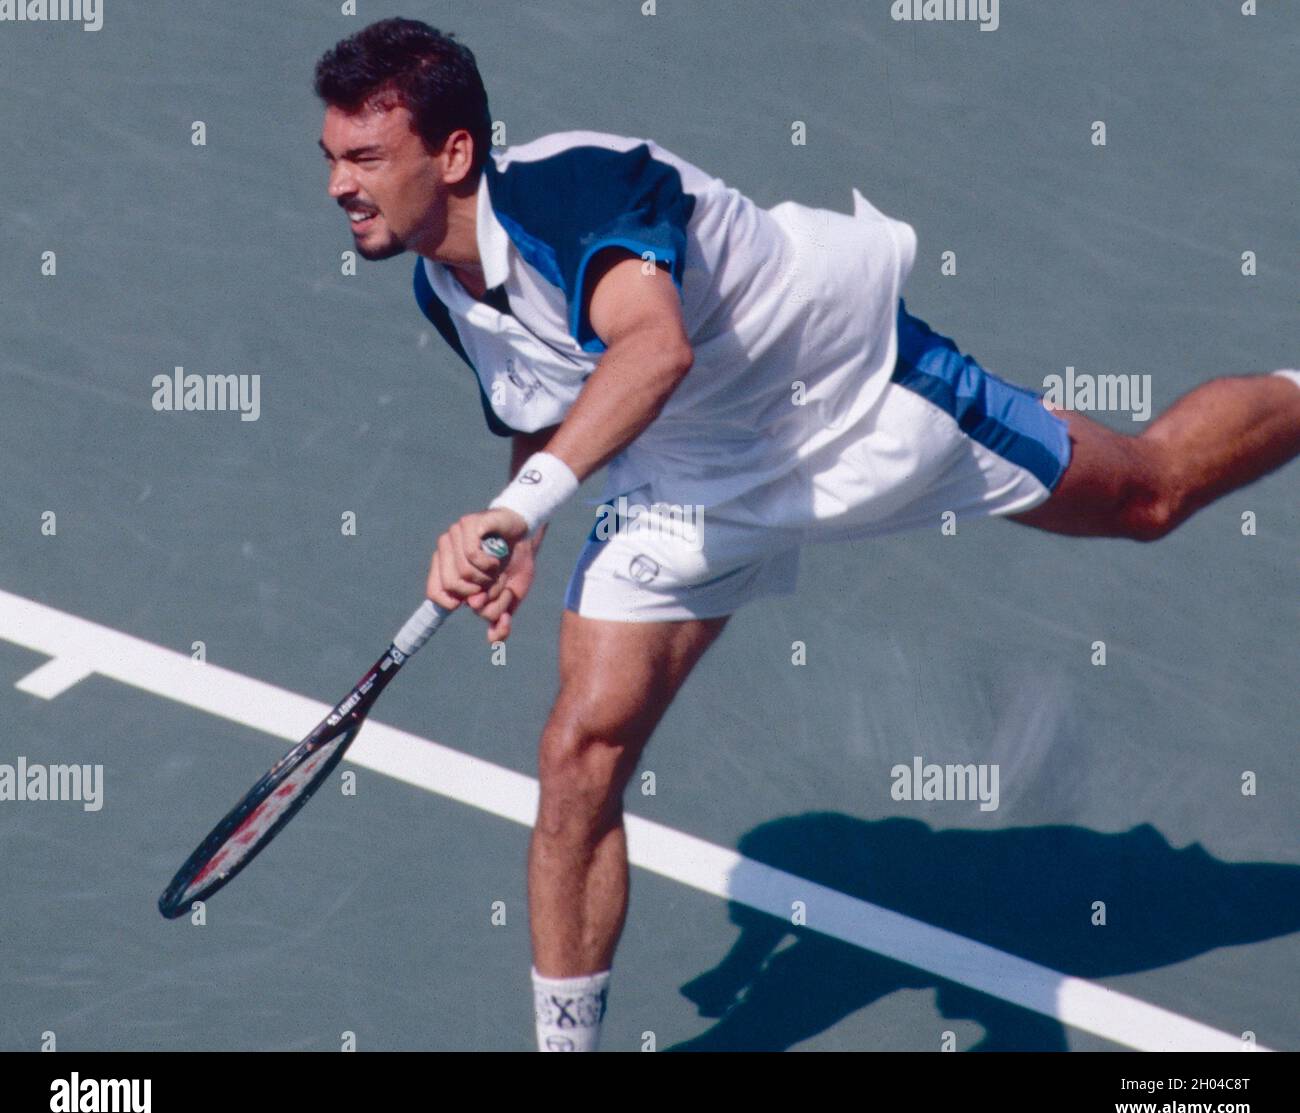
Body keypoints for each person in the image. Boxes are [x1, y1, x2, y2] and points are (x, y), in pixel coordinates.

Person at [314, 17, 1300, 1051]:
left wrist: (524, 505)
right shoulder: (442, 281)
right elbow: (541, 398)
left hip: (853, 397)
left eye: (367, 157)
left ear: (455, 152)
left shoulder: (577, 190)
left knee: (1146, 497)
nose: (341, 183)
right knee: (580, 753)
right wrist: (522, 527)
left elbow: (653, 351)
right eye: (332, 158)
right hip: (690, 480)